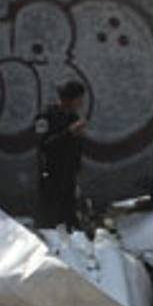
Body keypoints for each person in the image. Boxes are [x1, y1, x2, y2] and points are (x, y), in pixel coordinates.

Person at [34, 80, 87, 229]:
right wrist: (69, 132)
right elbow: (44, 145)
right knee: (50, 219)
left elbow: (76, 149)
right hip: (51, 175)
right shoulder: (46, 117)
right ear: (68, 99)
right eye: (78, 99)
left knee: (68, 218)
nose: (81, 103)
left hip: (69, 175)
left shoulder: (73, 117)